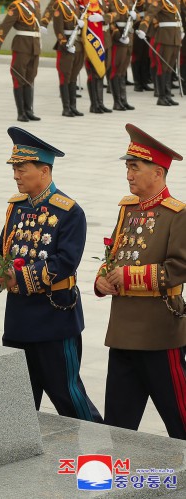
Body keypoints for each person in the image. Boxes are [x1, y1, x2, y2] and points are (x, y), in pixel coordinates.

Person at [0, 127, 102, 422]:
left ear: (44, 170)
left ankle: (96, 451)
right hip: (19, 318)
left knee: (68, 396)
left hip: (54, 318)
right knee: (19, 398)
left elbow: (65, 263)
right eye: (15, 169)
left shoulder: (70, 212)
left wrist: (16, 279)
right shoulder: (16, 208)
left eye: (22, 169)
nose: (16, 175)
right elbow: (3, 248)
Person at [95, 124, 186, 439]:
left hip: (159, 334)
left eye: (135, 168)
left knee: (180, 420)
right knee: (118, 427)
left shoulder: (177, 214)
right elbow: (114, 255)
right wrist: (102, 280)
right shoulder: (128, 210)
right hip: (122, 333)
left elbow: (178, 268)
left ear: (158, 173)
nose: (129, 175)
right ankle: (120, 483)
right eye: (127, 168)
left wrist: (130, 277)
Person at [0, 0, 48, 122]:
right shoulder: (16, 6)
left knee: (30, 77)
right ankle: (21, 112)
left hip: (35, 45)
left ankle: (29, 110)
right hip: (22, 44)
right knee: (19, 77)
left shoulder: (36, 4)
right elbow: (6, 25)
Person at [137, 0, 182, 106]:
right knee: (163, 66)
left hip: (175, 36)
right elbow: (150, 14)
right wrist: (143, 28)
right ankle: (161, 96)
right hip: (164, 36)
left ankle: (168, 95)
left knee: (169, 67)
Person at [49, 0, 86, 117]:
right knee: (65, 76)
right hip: (67, 45)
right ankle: (66, 108)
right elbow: (58, 28)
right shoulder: (59, 4)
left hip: (78, 44)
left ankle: (73, 106)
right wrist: (64, 43)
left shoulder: (77, 4)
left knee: (74, 76)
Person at [107, 0, 137, 111]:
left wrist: (134, 17)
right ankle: (116, 101)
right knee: (116, 69)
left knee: (123, 69)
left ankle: (123, 100)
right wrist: (116, 34)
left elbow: (131, 18)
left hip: (129, 35)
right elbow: (110, 20)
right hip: (118, 37)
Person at [128, 0, 154, 92]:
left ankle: (145, 80)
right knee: (137, 53)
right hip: (137, 24)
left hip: (149, 24)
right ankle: (138, 81)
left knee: (147, 53)